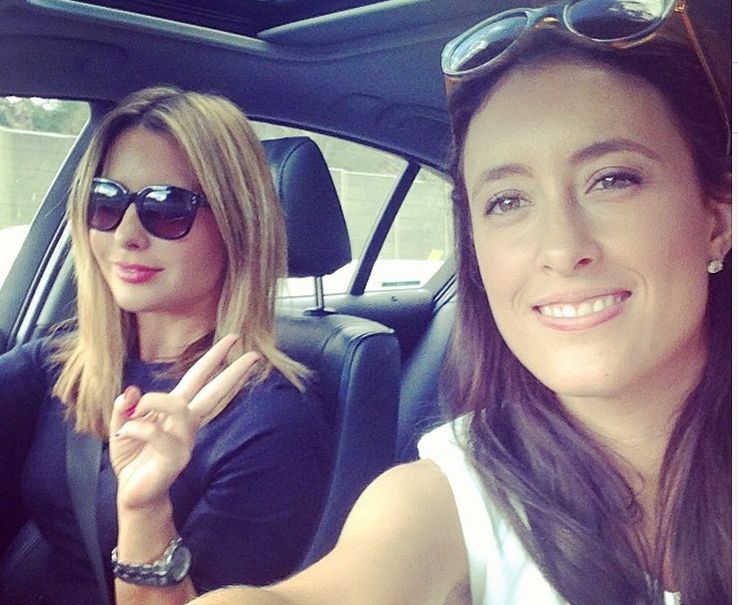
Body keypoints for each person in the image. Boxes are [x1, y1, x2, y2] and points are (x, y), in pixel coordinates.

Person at [187, 2, 731, 605]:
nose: (561, 249)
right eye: (507, 201)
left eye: (612, 179)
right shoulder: (443, 501)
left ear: (716, 219)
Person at [0, 87, 331, 605]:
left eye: (167, 207)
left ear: (237, 226)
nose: (127, 233)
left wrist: (146, 510)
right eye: (106, 200)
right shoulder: (62, 364)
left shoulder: (272, 424)